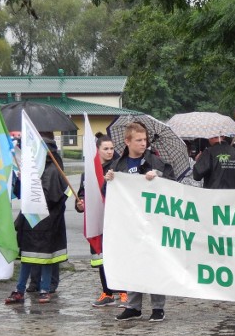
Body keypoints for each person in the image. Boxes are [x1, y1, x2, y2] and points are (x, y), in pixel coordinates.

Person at [104, 122, 175, 322]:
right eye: (139, 140)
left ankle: (157, 307)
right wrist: (108, 180)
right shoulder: (118, 165)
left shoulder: (154, 161)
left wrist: (158, 176)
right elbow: (109, 195)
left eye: (145, 140)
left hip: (153, 222)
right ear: (127, 141)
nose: (143, 144)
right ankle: (133, 306)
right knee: (132, 262)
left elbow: (171, 182)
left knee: (155, 262)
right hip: (129, 224)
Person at [5, 132, 69, 305]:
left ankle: (45, 289)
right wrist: (20, 180)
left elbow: (54, 197)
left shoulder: (54, 170)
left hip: (48, 222)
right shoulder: (31, 170)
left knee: (46, 258)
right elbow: (20, 194)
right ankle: (19, 290)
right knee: (27, 258)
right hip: (29, 221)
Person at [75, 134, 127, 307]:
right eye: (106, 149)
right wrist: (80, 203)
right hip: (97, 220)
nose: (110, 151)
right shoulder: (88, 171)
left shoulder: (118, 168)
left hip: (115, 220)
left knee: (118, 256)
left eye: (112, 148)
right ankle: (107, 293)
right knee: (100, 258)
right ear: (97, 150)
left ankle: (124, 292)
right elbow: (82, 193)